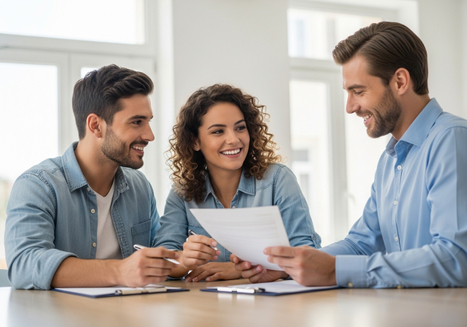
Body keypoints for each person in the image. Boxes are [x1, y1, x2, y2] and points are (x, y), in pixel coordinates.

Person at [233, 21, 467, 288]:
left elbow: (456, 258)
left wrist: (335, 270)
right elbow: (361, 244)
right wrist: (290, 267)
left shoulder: (451, 139)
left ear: (400, 81)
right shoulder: (390, 160)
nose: (350, 107)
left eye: (359, 91)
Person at [5, 64, 178, 289]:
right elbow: (24, 264)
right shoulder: (38, 185)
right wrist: (120, 271)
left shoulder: (139, 186)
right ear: (96, 126)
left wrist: (183, 258)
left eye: (148, 121)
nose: (149, 135)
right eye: (137, 122)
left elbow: (155, 255)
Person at [153, 84, 321, 282]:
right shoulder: (182, 193)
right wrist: (183, 260)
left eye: (240, 128)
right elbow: (162, 261)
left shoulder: (278, 180)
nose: (233, 139)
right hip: (205, 307)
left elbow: (307, 254)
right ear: (195, 142)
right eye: (218, 132)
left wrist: (241, 269)